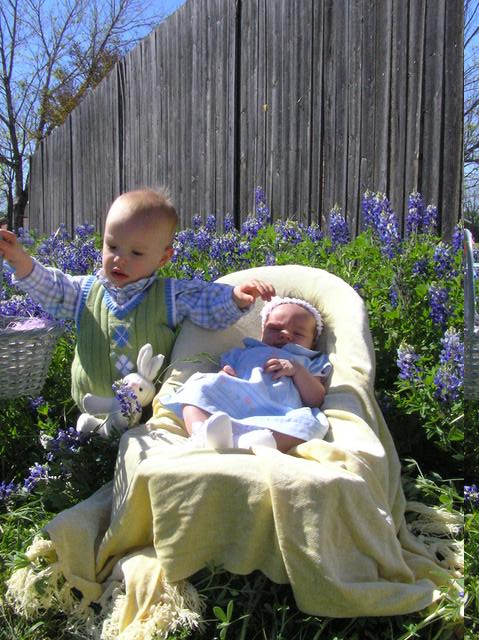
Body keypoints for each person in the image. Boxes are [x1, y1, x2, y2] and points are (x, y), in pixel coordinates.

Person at [0, 188, 275, 410]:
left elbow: (206, 303)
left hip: (146, 416)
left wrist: (236, 297)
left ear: (164, 257)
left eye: (137, 253)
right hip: (90, 410)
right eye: (112, 246)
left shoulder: (170, 295)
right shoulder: (83, 291)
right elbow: (51, 287)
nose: (120, 259)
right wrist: (19, 259)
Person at [161, 296, 332, 453]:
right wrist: (224, 374)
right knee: (197, 384)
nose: (285, 335)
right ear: (263, 329)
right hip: (234, 404)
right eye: (275, 328)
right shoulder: (246, 351)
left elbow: (315, 399)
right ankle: (202, 433)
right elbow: (224, 375)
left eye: (298, 333)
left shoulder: (309, 361)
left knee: (311, 425)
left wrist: (297, 370)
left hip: (280, 414)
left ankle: (246, 443)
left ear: (313, 342)